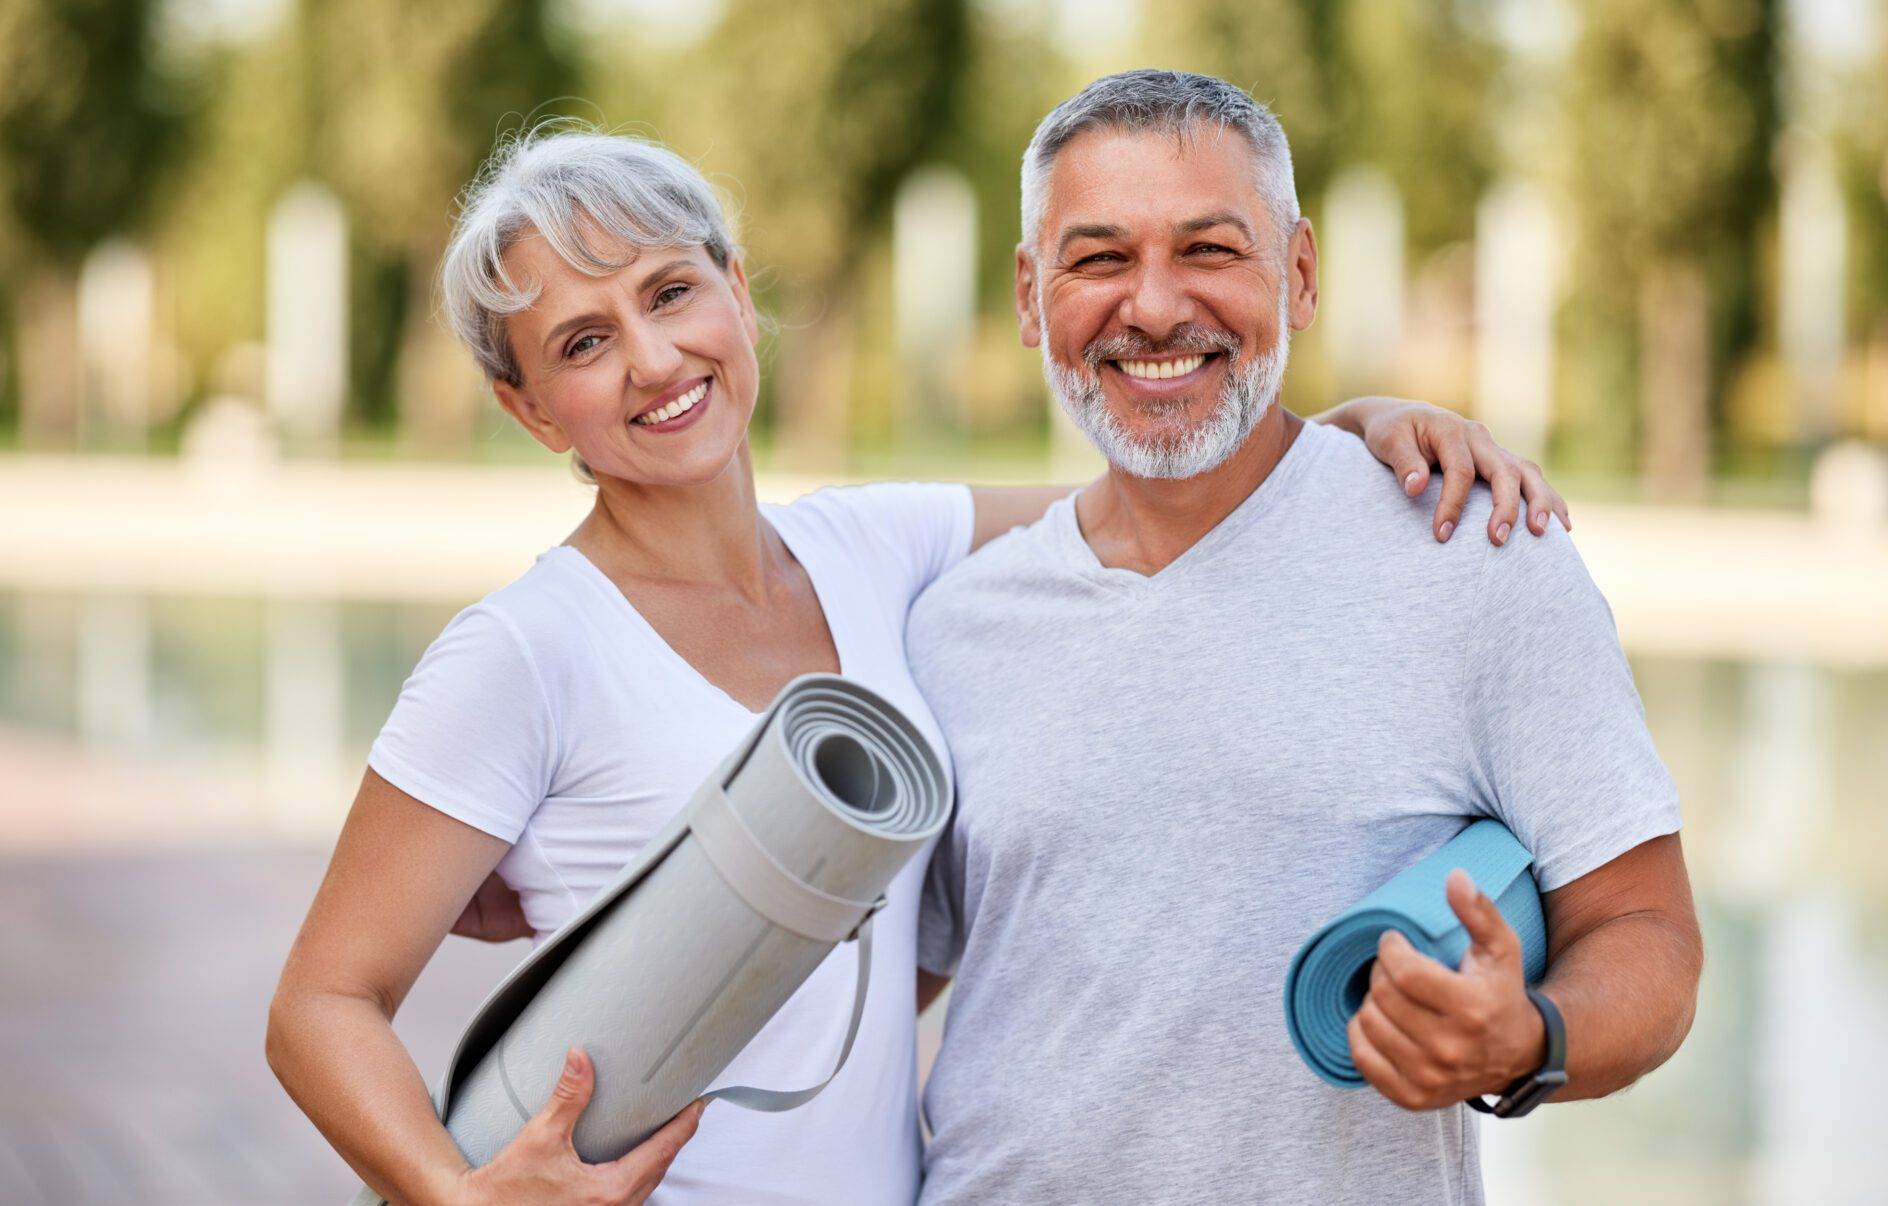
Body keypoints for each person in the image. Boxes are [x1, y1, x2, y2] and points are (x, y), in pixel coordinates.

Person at [264, 122, 1568, 1206]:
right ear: (530, 407)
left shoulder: (876, 546)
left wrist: (1359, 427)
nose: (655, 358)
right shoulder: (523, 652)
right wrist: (456, 1195)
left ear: (736, 291)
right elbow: (322, 1001)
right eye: (583, 342)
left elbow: (1163, 486)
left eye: (670, 292)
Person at [904, 70, 1703, 1205]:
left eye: (1211, 250)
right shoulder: (953, 624)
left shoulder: (1474, 558)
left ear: (1303, 273)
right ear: (1032, 298)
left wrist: (1528, 1040)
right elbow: (877, 1009)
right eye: (1098, 259)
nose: (1154, 307)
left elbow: (1647, 932)